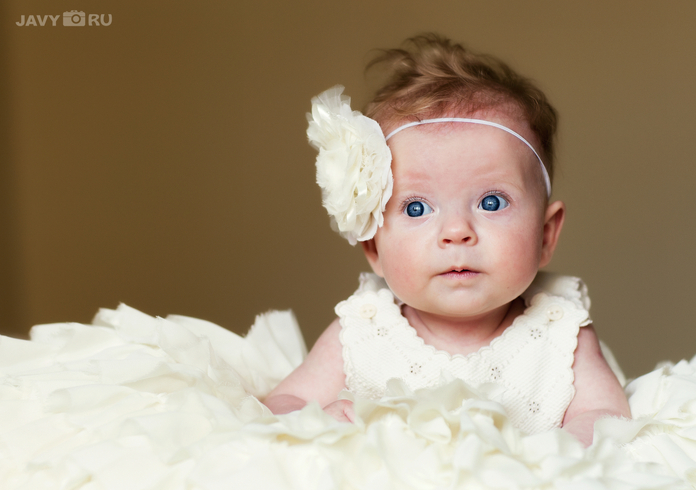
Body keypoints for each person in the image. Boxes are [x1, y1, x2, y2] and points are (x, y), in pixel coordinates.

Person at [264, 34, 631, 446]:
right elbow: (282, 403)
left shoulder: (559, 333)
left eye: (491, 202)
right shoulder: (364, 330)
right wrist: (319, 421)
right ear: (373, 248)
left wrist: (563, 449)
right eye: (416, 208)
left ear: (545, 235)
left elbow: (606, 415)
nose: (456, 231)